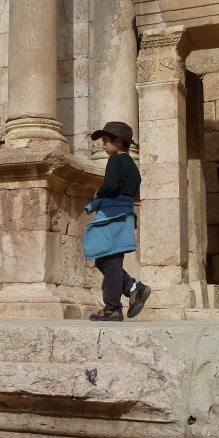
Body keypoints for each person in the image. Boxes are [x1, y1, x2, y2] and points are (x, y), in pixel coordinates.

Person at [83, 121, 152, 321]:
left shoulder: (115, 161)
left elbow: (111, 185)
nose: (103, 145)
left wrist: (99, 192)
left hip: (113, 214)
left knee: (110, 262)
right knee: (104, 259)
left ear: (119, 141)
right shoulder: (132, 165)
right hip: (125, 214)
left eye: (105, 141)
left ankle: (112, 307)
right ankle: (133, 288)